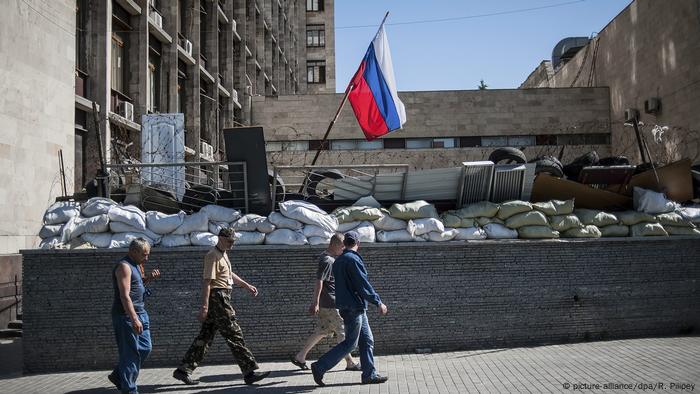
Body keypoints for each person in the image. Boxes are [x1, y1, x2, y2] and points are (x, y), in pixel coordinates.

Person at [172, 228, 269, 386]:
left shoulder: (223, 254)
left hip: (221, 296)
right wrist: (204, 307)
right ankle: (250, 372)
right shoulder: (212, 255)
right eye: (229, 241)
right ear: (220, 238)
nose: (232, 244)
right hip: (218, 298)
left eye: (233, 242)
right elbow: (207, 282)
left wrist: (246, 285)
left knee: (205, 337)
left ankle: (183, 371)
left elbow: (229, 275)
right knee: (234, 334)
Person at [310, 231, 389, 386]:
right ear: (357, 243)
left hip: (349, 306)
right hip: (354, 307)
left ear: (345, 243)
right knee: (351, 343)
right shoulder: (352, 260)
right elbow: (362, 284)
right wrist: (378, 302)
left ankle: (369, 375)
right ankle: (320, 366)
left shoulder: (338, 260)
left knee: (367, 340)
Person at [290, 233, 360, 372]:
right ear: (336, 245)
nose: (344, 250)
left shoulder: (326, 257)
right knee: (343, 332)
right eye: (342, 247)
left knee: (323, 330)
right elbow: (319, 282)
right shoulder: (327, 260)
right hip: (331, 304)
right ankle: (350, 362)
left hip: (327, 303)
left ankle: (300, 357)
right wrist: (315, 302)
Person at [109, 238, 160, 394]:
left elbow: (137, 285)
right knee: (130, 353)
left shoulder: (137, 265)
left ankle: (118, 376)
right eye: (144, 255)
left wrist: (149, 278)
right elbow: (125, 296)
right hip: (126, 316)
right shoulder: (124, 267)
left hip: (141, 312)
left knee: (145, 348)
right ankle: (130, 390)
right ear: (134, 251)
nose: (147, 258)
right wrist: (134, 319)